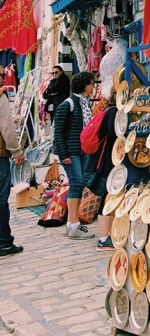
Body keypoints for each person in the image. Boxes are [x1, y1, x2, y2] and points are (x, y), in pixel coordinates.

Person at [53, 71, 95, 240]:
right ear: (84, 85)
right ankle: (74, 225)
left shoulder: (84, 103)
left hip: (81, 150)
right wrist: (64, 154)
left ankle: (71, 224)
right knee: (76, 183)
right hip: (71, 152)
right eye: (91, 83)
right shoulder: (68, 104)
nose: (93, 86)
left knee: (77, 184)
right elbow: (58, 132)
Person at [82, 91, 117, 250]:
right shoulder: (114, 112)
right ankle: (103, 238)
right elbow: (113, 134)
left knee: (106, 197)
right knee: (106, 198)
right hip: (107, 162)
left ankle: (107, 236)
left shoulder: (105, 110)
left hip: (102, 161)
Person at [0, 66, 25, 256]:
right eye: (1, 75)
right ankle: (4, 242)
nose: (3, 79)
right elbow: (7, 128)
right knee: (1, 200)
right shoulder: (1, 95)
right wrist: (16, 150)